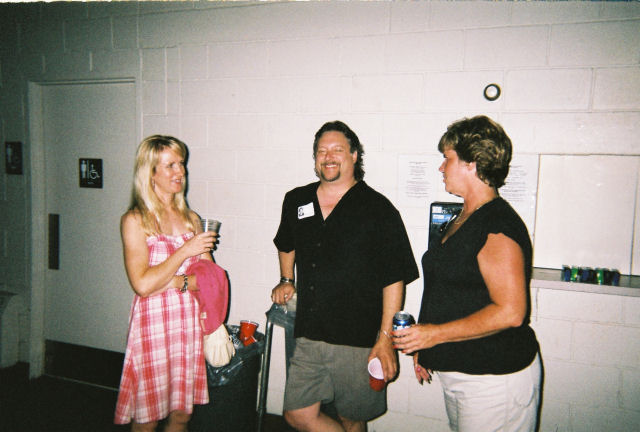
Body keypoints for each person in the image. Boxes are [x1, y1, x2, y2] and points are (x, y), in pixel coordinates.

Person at [393, 116, 542, 432]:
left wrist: (433, 334)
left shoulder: (496, 225)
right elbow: (447, 290)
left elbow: (511, 313)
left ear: (471, 163)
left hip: (494, 380)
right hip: (463, 373)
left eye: (447, 158)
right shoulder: (463, 217)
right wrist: (426, 345)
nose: (441, 167)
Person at [271, 120, 419, 432]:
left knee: (353, 418)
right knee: (297, 414)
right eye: (321, 151)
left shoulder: (378, 209)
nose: (328, 157)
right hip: (309, 333)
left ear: (354, 155)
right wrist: (287, 279)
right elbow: (286, 242)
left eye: (337, 150)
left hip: (358, 340)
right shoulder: (297, 200)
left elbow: (394, 278)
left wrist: (385, 340)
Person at [114, 135, 217, 432]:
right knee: (148, 417)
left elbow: (209, 279)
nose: (180, 171)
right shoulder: (135, 220)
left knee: (181, 414)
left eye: (181, 163)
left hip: (188, 324)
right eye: (170, 165)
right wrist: (185, 252)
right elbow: (142, 285)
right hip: (153, 326)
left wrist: (172, 282)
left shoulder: (192, 219)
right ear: (151, 173)